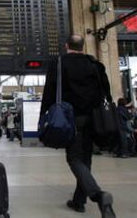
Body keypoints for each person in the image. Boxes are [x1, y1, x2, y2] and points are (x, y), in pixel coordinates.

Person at [41, 35, 116, 218]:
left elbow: (49, 92)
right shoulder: (95, 65)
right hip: (93, 119)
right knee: (86, 159)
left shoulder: (58, 64)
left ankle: (98, 195)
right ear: (83, 46)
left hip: (70, 119)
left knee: (74, 158)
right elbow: (106, 92)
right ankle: (78, 201)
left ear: (67, 45)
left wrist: (44, 116)